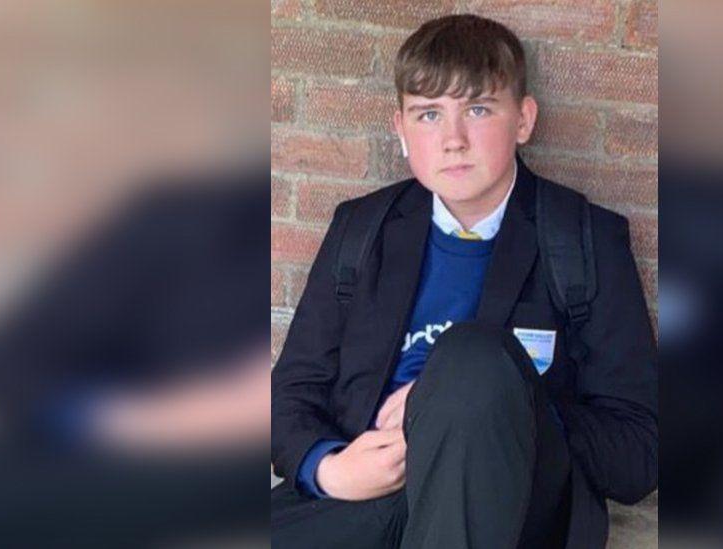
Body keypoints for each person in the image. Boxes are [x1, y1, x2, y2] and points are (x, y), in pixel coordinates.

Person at [271, 14, 657, 549]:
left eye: (477, 109)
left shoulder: (585, 239)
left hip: (510, 510)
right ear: (400, 130)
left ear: (523, 120)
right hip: (365, 499)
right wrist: (327, 469)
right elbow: (288, 393)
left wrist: (480, 401)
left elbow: (639, 453)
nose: (453, 139)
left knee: (471, 361)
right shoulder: (360, 229)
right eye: (429, 114)